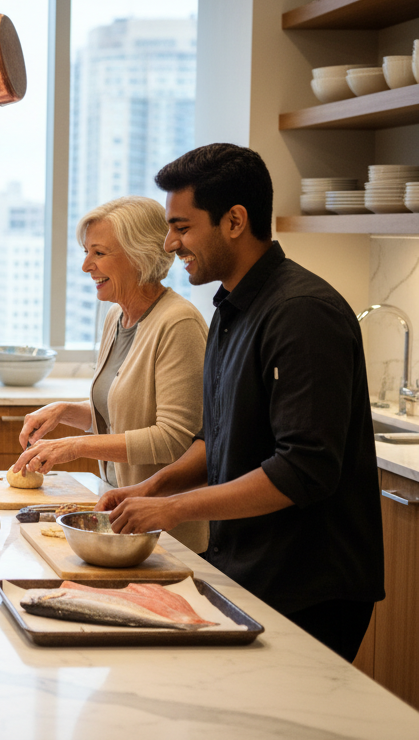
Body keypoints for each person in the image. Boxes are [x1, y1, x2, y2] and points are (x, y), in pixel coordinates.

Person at [99, 143, 385, 662]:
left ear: (234, 221)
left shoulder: (301, 313)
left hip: (309, 585)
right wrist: (150, 487)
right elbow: (219, 437)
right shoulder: (232, 309)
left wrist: (169, 509)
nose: (170, 243)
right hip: (248, 566)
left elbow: (303, 469)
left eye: (182, 227)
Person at [12, 196, 209, 552]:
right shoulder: (117, 318)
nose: (87, 265)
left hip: (166, 532)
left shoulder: (178, 323)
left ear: (140, 255)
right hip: (123, 518)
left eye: (99, 253)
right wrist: (65, 411)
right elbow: (124, 415)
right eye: (87, 252)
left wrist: (75, 446)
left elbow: (175, 439)